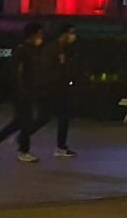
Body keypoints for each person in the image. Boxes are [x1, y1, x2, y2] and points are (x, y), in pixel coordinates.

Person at [0, 22, 50, 162]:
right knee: (26, 121)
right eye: (39, 34)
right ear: (32, 35)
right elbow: (16, 73)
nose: (41, 37)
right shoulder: (22, 50)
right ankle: (23, 151)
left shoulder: (34, 51)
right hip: (22, 93)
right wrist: (21, 90)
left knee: (19, 121)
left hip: (29, 91)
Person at [49, 23, 78, 158]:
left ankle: (61, 146)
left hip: (62, 89)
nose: (73, 36)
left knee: (63, 117)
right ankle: (22, 140)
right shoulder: (55, 49)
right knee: (43, 117)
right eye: (71, 32)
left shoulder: (65, 49)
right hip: (55, 89)